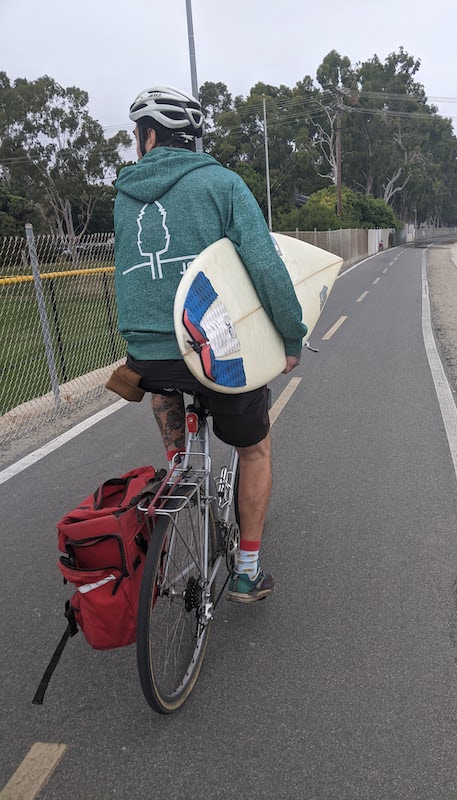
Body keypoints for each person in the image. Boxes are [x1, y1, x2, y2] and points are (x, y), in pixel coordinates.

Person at [113, 86, 307, 603]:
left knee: (165, 385)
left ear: (149, 136)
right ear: (191, 140)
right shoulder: (222, 184)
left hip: (148, 357)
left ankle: (178, 469)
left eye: (138, 137)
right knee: (255, 448)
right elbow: (265, 265)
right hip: (212, 352)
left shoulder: (124, 195)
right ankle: (246, 570)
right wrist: (291, 336)